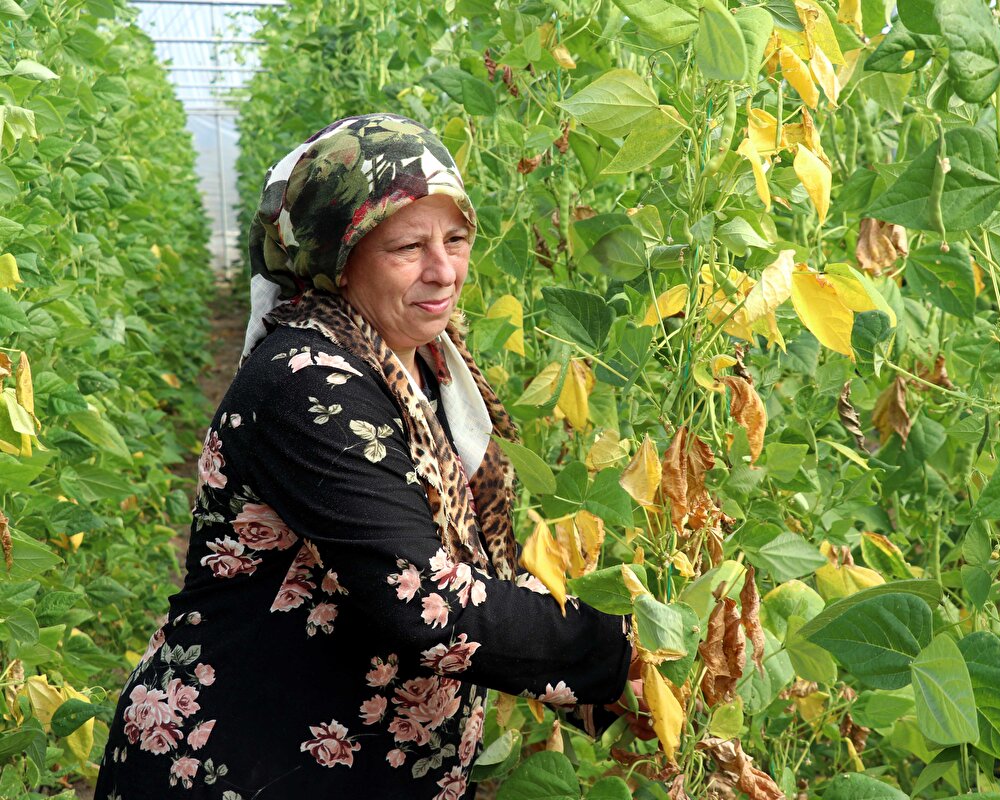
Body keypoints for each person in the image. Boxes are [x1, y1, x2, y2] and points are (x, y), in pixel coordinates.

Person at [93, 113, 635, 800]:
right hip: (246, 765)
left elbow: (477, 558)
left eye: (457, 238)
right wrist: (613, 652)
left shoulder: (427, 362)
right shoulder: (306, 381)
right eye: (408, 247)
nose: (444, 270)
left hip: (359, 764)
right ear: (338, 258)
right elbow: (426, 598)